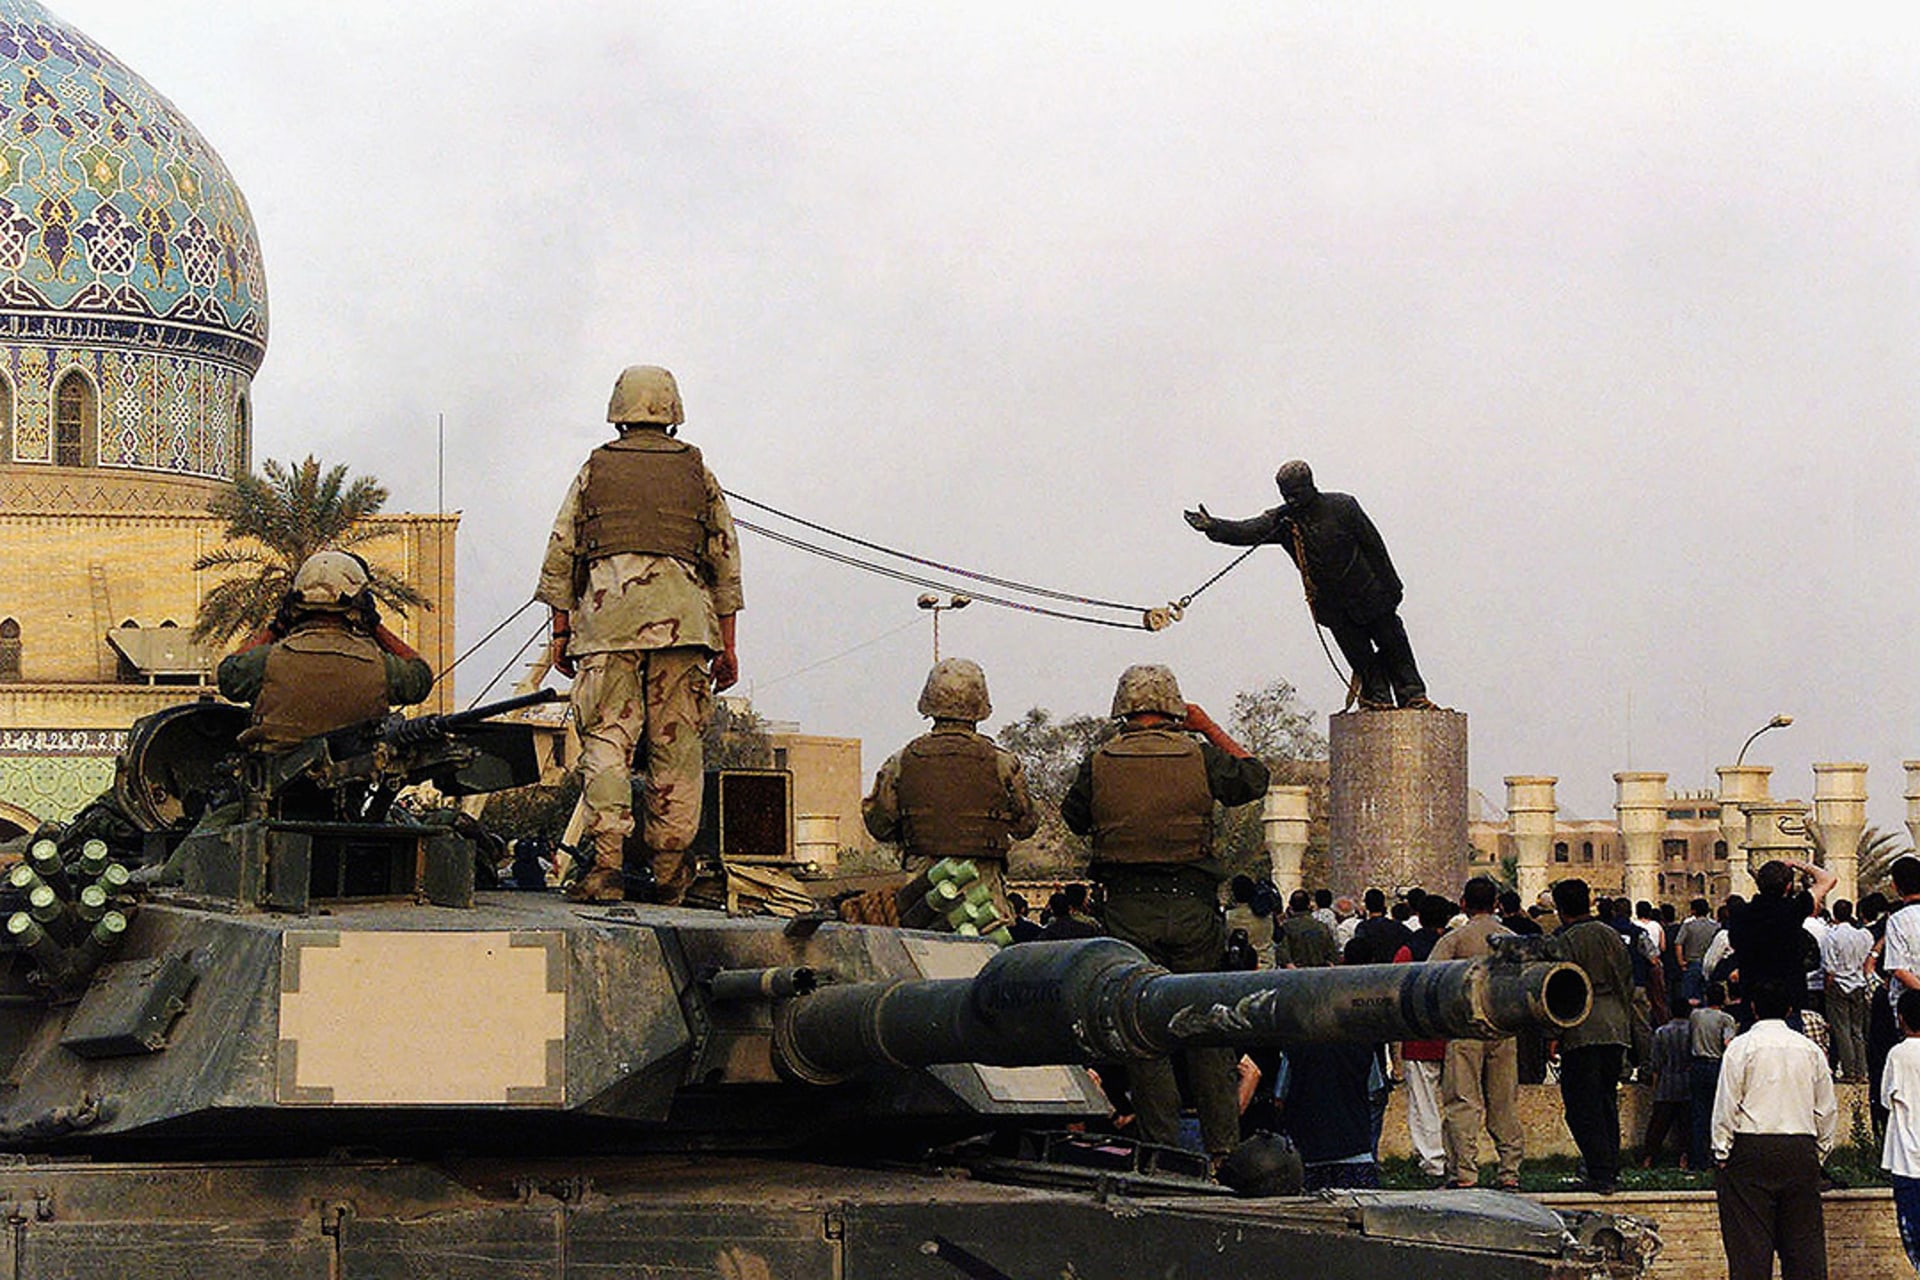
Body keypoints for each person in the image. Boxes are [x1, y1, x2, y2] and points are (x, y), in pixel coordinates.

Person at [537, 365, 743, 904]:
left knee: (607, 741)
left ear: (618, 409)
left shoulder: (595, 469)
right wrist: (728, 642)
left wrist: (561, 631)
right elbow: (725, 563)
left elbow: (562, 552)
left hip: (608, 625)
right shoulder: (698, 473)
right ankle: (671, 870)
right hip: (684, 629)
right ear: (673, 410)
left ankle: (605, 867)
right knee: (677, 748)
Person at [1060, 663, 1270, 1159]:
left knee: (1141, 1031)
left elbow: (1074, 817)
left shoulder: (1100, 760)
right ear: (1175, 708)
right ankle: (1222, 1153)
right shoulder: (1199, 756)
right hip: (1193, 911)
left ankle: (1163, 1154)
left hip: (1127, 912)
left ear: (1123, 709)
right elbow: (1254, 778)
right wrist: (1208, 727)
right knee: (1204, 1026)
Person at [1183, 459, 1430, 710]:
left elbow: (1374, 546)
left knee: (1394, 645)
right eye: (1285, 495)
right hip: (1334, 609)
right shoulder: (1283, 521)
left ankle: (1413, 696)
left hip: (1371, 594)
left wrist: (1392, 586)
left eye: (1296, 494)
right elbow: (1248, 530)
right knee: (1361, 658)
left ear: (1310, 485)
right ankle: (1377, 700)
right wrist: (1213, 527)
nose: (1291, 500)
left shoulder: (1343, 506)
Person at [863, 658, 1039, 924]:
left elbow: (879, 825)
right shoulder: (1002, 762)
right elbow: (1025, 825)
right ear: (980, 705)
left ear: (929, 702)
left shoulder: (901, 761)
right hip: (985, 900)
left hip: (921, 898)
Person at [218, 550, 433, 748]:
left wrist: (276, 627)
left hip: (274, 785)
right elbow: (420, 677)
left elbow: (228, 675)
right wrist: (375, 626)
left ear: (294, 602)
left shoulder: (267, 661)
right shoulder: (382, 668)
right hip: (357, 785)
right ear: (361, 603)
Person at [1711, 978, 1838, 1280]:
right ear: (1790, 1008)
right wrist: (1818, 1154)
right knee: (1804, 1248)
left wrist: (1721, 1150)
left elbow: (1727, 1103)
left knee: (1749, 1248)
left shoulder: (1741, 1048)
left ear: (1753, 1008)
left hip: (1750, 1149)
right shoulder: (1810, 1049)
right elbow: (1826, 1109)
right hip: (1800, 1149)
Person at [1430, 876, 1522, 1189]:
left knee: (1462, 1101)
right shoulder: (1510, 938)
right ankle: (1509, 1171)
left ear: (1463, 903)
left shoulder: (1455, 939)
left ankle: (1464, 1172)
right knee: (1504, 1102)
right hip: (1503, 1028)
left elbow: (1432, 978)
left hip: (1465, 1027)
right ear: (1496, 903)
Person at [1551, 877, 1632, 1193]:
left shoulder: (1566, 941)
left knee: (1582, 1105)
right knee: (1605, 1099)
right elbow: (1626, 980)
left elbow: (1559, 988)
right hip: (1613, 1026)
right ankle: (1609, 1166)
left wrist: (1554, 1033)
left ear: (1560, 908)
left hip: (1581, 1027)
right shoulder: (1610, 935)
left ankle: (1600, 1171)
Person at [1394, 894, 1453, 1180]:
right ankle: (1458, 1157)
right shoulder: (1454, 945)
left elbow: (1395, 987)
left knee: (1423, 1103)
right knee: (1458, 1101)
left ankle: (1432, 1161)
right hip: (1452, 1036)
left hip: (1418, 1037)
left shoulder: (1409, 949)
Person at [1881, 988, 1920, 1273]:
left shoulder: (1898, 1054)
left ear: (1901, 1018)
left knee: (1913, 1236)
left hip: (1907, 1159)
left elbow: (1886, 1098)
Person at [1690, 982, 1740, 1174]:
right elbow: (1728, 1043)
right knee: (1716, 1113)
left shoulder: (1695, 1016)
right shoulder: (1726, 1019)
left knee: (1698, 1115)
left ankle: (1697, 1160)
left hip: (1696, 1065)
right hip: (1715, 1065)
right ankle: (1715, 1156)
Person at [1822, 898, 1873, 1083]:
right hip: (1858, 983)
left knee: (1842, 1029)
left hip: (1839, 983)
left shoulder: (1832, 936)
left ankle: (1849, 1071)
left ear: (1835, 914)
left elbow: (1829, 968)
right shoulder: (1864, 935)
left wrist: (1828, 988)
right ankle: (1862, 1070)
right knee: (1857, 1030)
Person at [1641, 1009, 1694, 1168]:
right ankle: (1684, 1158)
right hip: (1686, 1083)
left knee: (1658, 1125)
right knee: (1686, 1126)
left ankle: (1648, 1159)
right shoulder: (1692, 1031)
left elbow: (1656, 1062)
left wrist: (1654, 1087)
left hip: (1666, 1083)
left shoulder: (1661, 1032)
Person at [1273, 888, 1337, 969]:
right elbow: (1332, 955)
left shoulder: (1286, 928)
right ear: (1309, 905)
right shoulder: (1321, 926)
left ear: (1291, 906)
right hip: (1320, 973)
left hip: (1297, 974)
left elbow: (1284, 956)